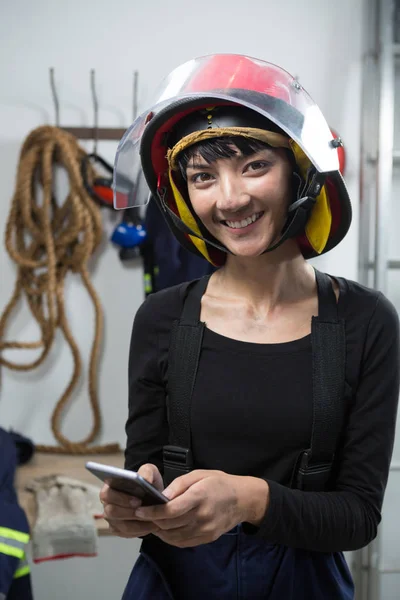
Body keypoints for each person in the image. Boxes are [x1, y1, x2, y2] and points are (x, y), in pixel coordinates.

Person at [100, 54, 400, 599]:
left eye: (254, 166)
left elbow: (358, 516)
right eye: (202, 177)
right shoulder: (162, 319)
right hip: (173, 582)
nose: (230, 198)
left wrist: (247, 499)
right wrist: (132, 509)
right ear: (183, 196)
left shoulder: (366, 321)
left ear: (300, 171)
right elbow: (141, 474)